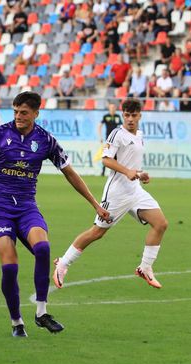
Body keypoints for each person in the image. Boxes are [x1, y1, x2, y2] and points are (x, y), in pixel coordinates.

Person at [0, 91, 110, 338]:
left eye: (23, 112)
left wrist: (95, 205)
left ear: (36, 113)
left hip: (26, 206)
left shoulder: (45, 140)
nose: (18, 117)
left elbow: (70, 173)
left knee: (43, 248)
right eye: (15, 111)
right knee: (10, 265)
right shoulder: (0, 134)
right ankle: (16, 322)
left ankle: (41, 313)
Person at [53, 98, 168, 290]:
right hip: (117, 193)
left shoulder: (139, 134)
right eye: (127, 115)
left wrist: (140, 174)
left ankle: (145, 268)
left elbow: (131, 165)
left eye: (134, 115)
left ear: (140, 116)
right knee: (97, 232)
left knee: (161, 223)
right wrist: (128, 172)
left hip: (135, 191)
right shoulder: (117, 134)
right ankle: (63, 263)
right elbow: (105, 160)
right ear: (123, 115)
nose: (130, 119)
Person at [98, 103, 122, 176]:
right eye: (111, 107)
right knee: (106, 155)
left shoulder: (117, 116)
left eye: (113, 107)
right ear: (109, 108)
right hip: (108, 140)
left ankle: (115, 171)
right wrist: (100, 137)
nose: (112, 109)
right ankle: (103, 172)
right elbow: (99, 126)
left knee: (116, 156)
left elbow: (121, 127)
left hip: (116, 140)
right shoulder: (106, 116)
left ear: (115, 108)